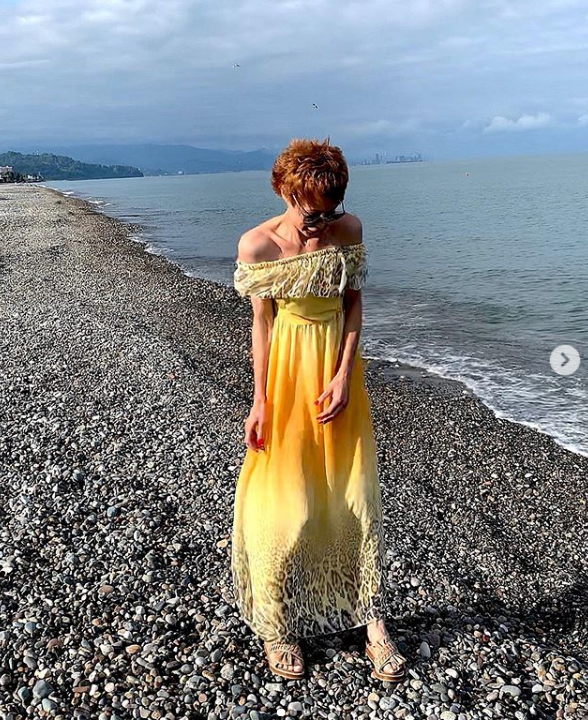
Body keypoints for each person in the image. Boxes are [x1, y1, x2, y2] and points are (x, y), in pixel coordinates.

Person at [231, 137, 407, 682]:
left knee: (355, 493)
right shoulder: (258, 245)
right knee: (289, 501)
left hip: (338, 370)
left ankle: (373, 622)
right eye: (313, 211)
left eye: (331, 209)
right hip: (287, 374)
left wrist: (344, 375)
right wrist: (260, 400)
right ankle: (278, 623)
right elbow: (262, 325)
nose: (322, 222)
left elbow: (353, 304)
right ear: (286, 192)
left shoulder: (348, 230)